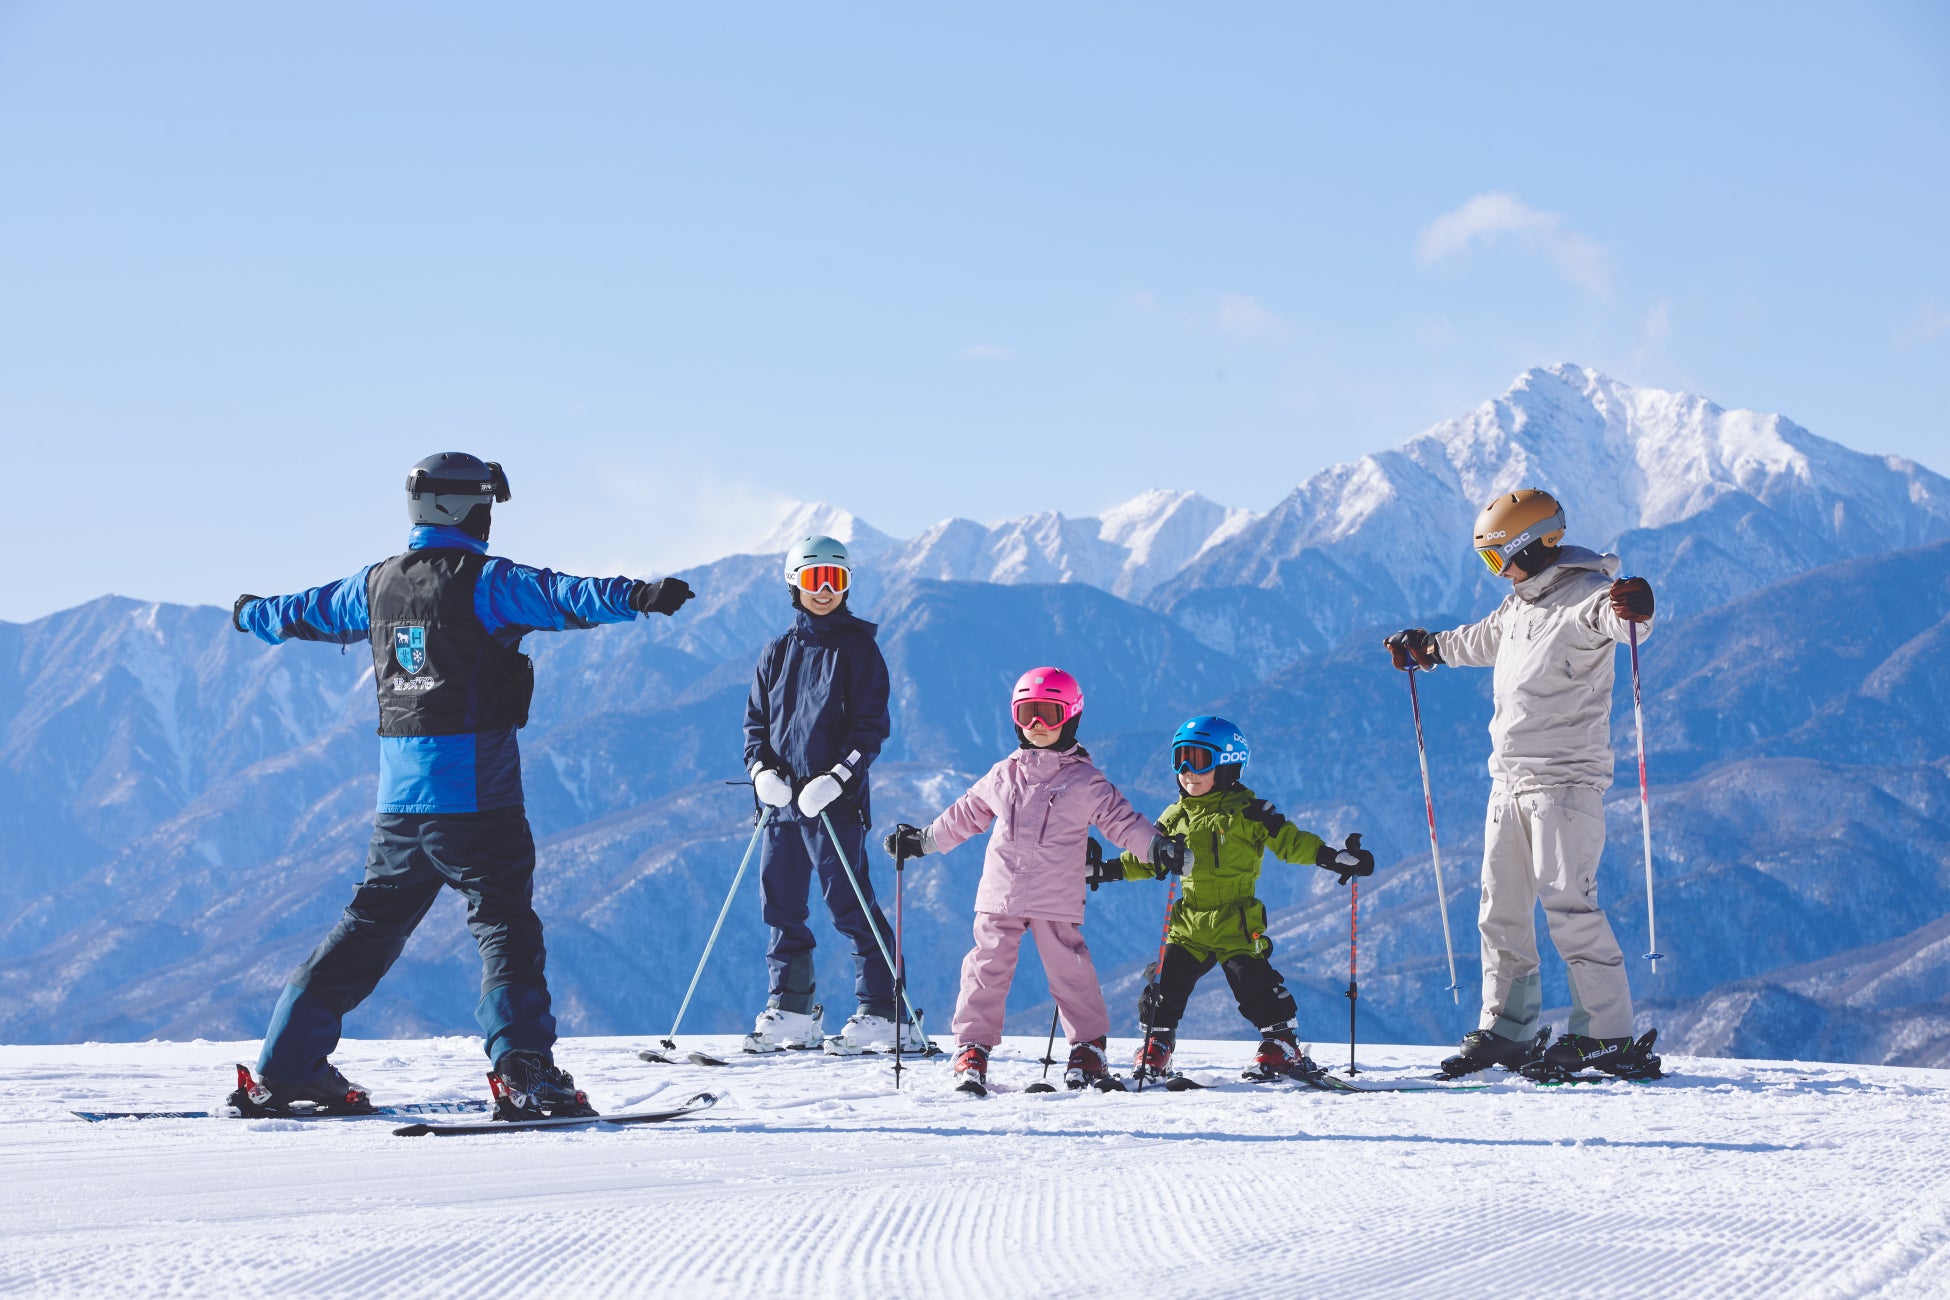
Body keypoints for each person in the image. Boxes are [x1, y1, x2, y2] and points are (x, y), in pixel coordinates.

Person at [228, 452, 695, 1118]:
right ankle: (525, 1073)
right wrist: (639, 597)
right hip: (478, 800)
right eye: (486, 505)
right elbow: (563, 595)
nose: (490, 518)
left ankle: (285, 1067)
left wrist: (250, 614)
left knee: (364, 931)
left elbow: (300, 611)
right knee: (505, 926)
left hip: (398, 807)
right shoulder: (486, 582)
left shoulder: (375, 585)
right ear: (464, 508)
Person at [1385, 488, 1660, 1080]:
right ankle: (1508, 1030)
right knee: (1499, 910)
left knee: (1569, 907)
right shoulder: (1518, 608)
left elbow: (1621, 619)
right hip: (1508, 783)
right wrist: (1426, 649)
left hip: (1564, 786)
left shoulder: (1586, 598)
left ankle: (1607, 1035)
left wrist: (1636, 609)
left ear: (1528, 547)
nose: (1496, 572)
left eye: (1496, 558)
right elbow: (1476, 640)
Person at [881, 667, 1182, 1093]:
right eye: (1027, 715)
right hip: (1000, 892)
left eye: (1049, 714)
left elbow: (1122, 822)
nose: (1037, 726)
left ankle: (1088, 1048)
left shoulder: (1085, 781)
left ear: (1071, 718)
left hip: (1055, 894)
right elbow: (966, 814)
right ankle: (972, 1047)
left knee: (1070, 970)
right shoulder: (1004, 773)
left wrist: (1155, 847)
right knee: (985, 968)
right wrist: (924, 841)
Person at [1089, 716, 1375, 1083]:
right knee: (1164, 985)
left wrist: (1333, 857)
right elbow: (1146, 858)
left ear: (1226, 765)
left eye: (1199, 760)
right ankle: (1156, 1044)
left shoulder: (1249, 813)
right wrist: (1104, 870)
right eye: (1180, 759)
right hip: (1188, 924)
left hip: (1236, 922)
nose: (1188, 771)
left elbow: (1290, 842)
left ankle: (1281, 1043)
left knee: (1253, 983)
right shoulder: (1175, 816)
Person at [743, 535, 917, 1055]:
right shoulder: (777, 651)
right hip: (779, 806)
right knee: (780, 902)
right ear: (794, 582)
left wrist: (836, 778)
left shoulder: (860, 649)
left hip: (833, 803)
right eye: (816, 579)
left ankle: (885, 1011)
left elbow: (871, 731)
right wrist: (760, 774)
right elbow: (755, 726)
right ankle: (792, 1008)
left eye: (836, 580)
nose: (825, 591)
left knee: (848, 902)